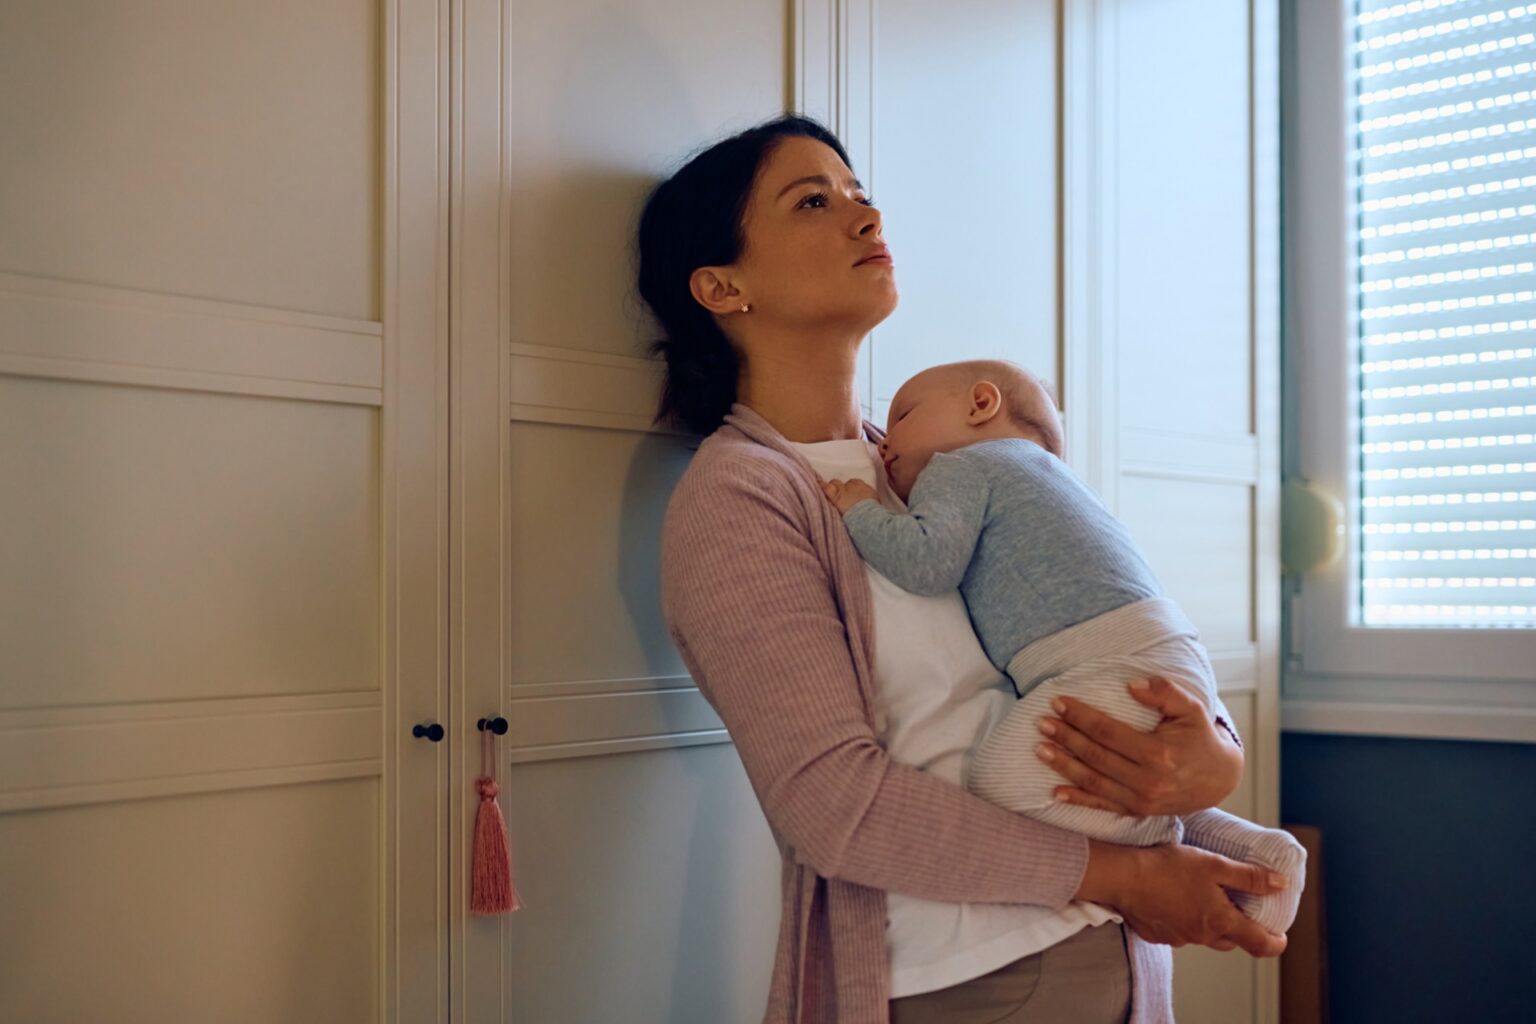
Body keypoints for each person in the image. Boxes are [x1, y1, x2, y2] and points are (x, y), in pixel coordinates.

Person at [641, 114, 1287, 1024]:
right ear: (721, 285)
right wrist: (1133, 875)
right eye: (814, 201)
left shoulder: (950, 463)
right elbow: (832, 804)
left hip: (1112, 949)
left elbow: (1101, 623)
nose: (866, 218)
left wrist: (1207, 754)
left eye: (863, 195)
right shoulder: (739, 499)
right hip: (970, 977)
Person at [820, 359, 1305, 934]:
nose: (885, 442)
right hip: (1161, 650)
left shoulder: (963, 466)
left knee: (999, 783)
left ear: (981, 405)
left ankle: (1165, 848)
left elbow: (927, 563)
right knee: (1132, 771)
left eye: (901, 415)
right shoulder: (1049, 482)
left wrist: (859, 509)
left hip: (1105, 658)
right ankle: (1263, 859)